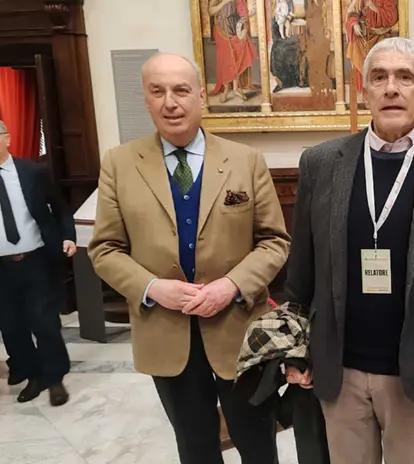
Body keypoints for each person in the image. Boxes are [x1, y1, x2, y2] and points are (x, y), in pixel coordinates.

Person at [283, 37, 414, 464]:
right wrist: (295, 349)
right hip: (340, 368)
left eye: (405, 77)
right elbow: (301, 269)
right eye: (379, 77)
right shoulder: (321, 163)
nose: (391, 88)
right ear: (365, 91)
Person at [88, 53, 290, 464]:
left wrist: (231, 286)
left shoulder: (246, 160)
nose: (170, 102)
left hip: (239, 330)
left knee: (257, 441)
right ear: (145, 99)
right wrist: (151, 288)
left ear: (201, 96)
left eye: (181, 90)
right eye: (157, 91)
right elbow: (105, 249)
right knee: (195, 445)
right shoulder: (119, 164)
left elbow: (274, 241)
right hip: (165, 332)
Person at [0, 119, 75, 406]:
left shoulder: (32, 172)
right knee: (11, 326)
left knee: (44, 322)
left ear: (7, 138)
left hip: (36, 261)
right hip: (1, 268)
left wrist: (67, 236)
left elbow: (59, 206)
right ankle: (31, 374)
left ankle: (54, 379)